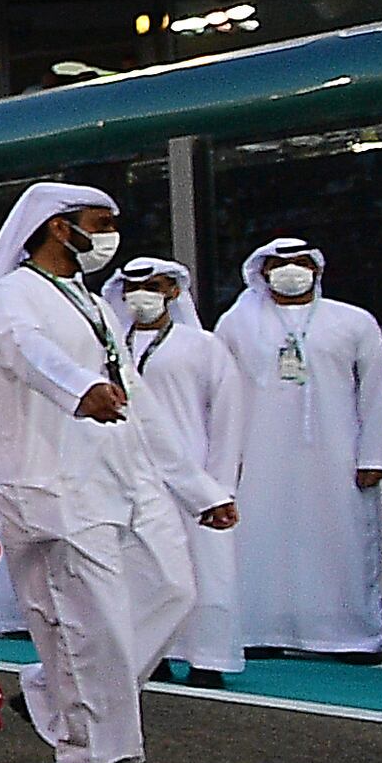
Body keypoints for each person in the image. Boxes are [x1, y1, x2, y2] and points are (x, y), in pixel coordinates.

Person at [0, 184, 200, 763]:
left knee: (173, 591)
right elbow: (27, 352)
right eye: (99, 223)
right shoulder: (9, 296)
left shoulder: (90, 301)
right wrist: (79, 388)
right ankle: (91, 753)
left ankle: (50, 688)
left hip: (121, 475)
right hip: (55, 483)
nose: (109, 237)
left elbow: (136, 397)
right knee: (85, 618)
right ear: (57, 227)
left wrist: (198, 489)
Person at [214, 237, 382, 655]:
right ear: (262, 271)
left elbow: (374, 392)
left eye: (299, 262)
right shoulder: (236, 324)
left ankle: (350, 636)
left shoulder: (352, 321)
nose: (290, 270)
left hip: (338, 455)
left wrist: (374, 456)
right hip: (257, 456)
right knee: (258, 537)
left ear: (316, 268)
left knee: (343, 542)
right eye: (280, 263)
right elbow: (221, 395)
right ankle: (259, 631)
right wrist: (224, 460)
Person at [121, 258, 249, 687]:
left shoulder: (203, 346)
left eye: (152, 285)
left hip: (195, 474)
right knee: (142, 569)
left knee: (205, 570)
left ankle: (208, 658)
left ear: (173, 291)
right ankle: (152, 654)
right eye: (132, 286)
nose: (141, 295)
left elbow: (227, 417)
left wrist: (219, 485)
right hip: (128, 475)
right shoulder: (109, 345)